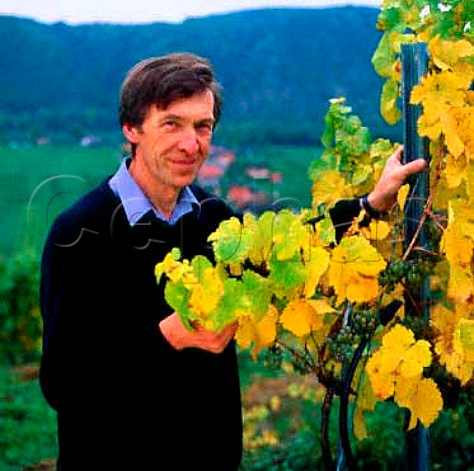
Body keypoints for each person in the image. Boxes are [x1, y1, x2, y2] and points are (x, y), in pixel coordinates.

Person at [39, 52, 427, 471]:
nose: (192, 144)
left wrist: (370, 203)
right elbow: (62, 385)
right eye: (172, 123)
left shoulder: (214, 218)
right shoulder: (79, 232)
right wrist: (167, 338)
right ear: (132, 128)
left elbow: (288, 250)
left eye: (202, 126)